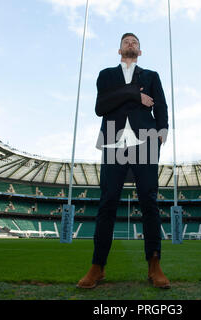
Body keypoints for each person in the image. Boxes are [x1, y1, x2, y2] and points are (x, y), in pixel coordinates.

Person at [77, 33, 170, 289]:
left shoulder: (151, 76)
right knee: (108, 202)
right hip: (113, 141)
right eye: (127, 41)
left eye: (135, 42)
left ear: (140, 51)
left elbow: (160, 105)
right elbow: (101, 106)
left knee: (149, 202)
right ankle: (98, 266)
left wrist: (162, 133)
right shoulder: (106, 75)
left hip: (146, 139)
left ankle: (154, 264)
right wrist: (133, 94)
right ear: (119, 50)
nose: (131, 43)